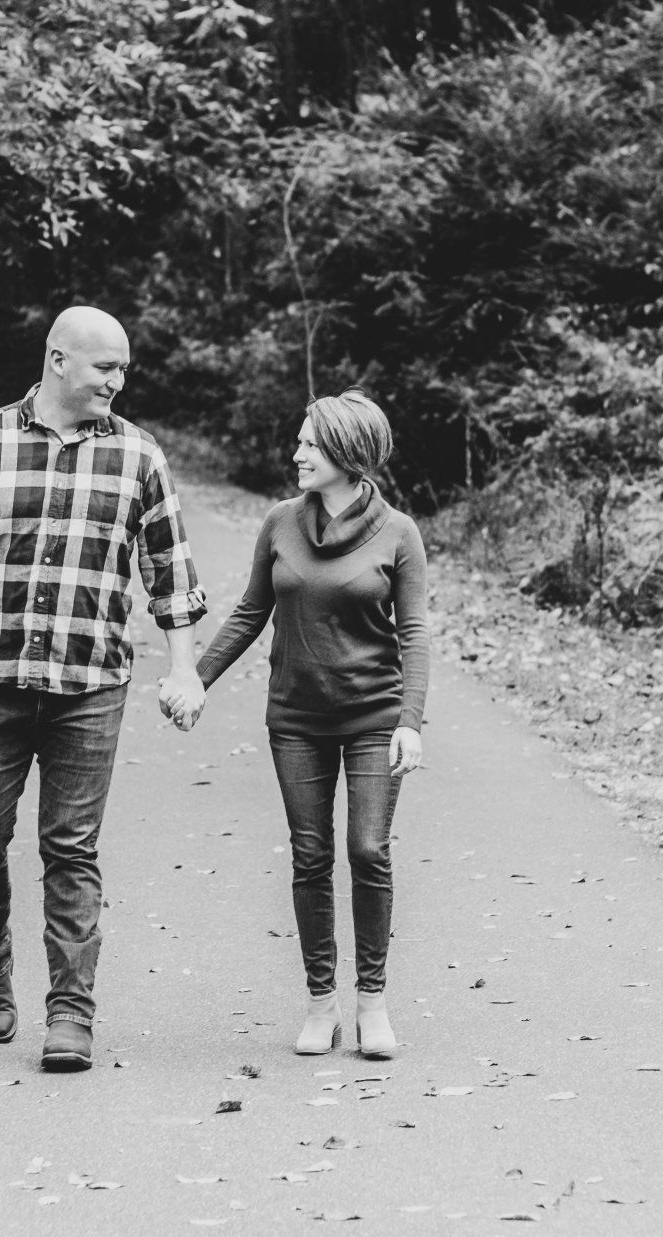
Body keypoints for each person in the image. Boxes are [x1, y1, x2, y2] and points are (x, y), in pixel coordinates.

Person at [0, 305, 207, 1072]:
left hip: (90, 684)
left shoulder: (139, 456)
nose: (118, 380)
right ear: (58, 360)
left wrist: (182, 666)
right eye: (106, 366)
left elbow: (170, 572)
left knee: (71, 849)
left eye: (125, 370)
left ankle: (71, 1013)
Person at [185, 388, 427, 1058]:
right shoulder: (280, 522)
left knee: (368, 850)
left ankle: (372, 1005)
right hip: (296, 720)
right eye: (299, 441)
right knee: (311, 855)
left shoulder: (399, 534)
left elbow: (415, 635)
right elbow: (248, 612)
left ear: (349, 453)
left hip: (375, 715)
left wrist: (411, 721)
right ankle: (322, 1005)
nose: (297, 453)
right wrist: (195, 679)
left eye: (309, 443)